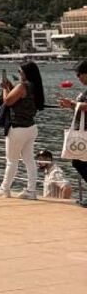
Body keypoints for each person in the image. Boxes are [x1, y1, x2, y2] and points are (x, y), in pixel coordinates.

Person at [0, 63, 42, 198]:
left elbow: (8, 101)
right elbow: (20, 99)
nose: (19, 74)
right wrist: (10, 86)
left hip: (17, 128)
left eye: (19, 71)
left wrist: (5, 88)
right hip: (31, 127)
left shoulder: (22, 86)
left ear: (25, 73)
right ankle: (32, 191)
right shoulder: (36, 87)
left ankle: (4, 189)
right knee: (29, 160)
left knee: (11, 161)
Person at [56, 60, 87, 203]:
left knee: (79, 162)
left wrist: (73, 104)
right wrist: (70, 105)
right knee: (79, 161)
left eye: (79, 74)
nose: (77, 77)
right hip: (83, 130)